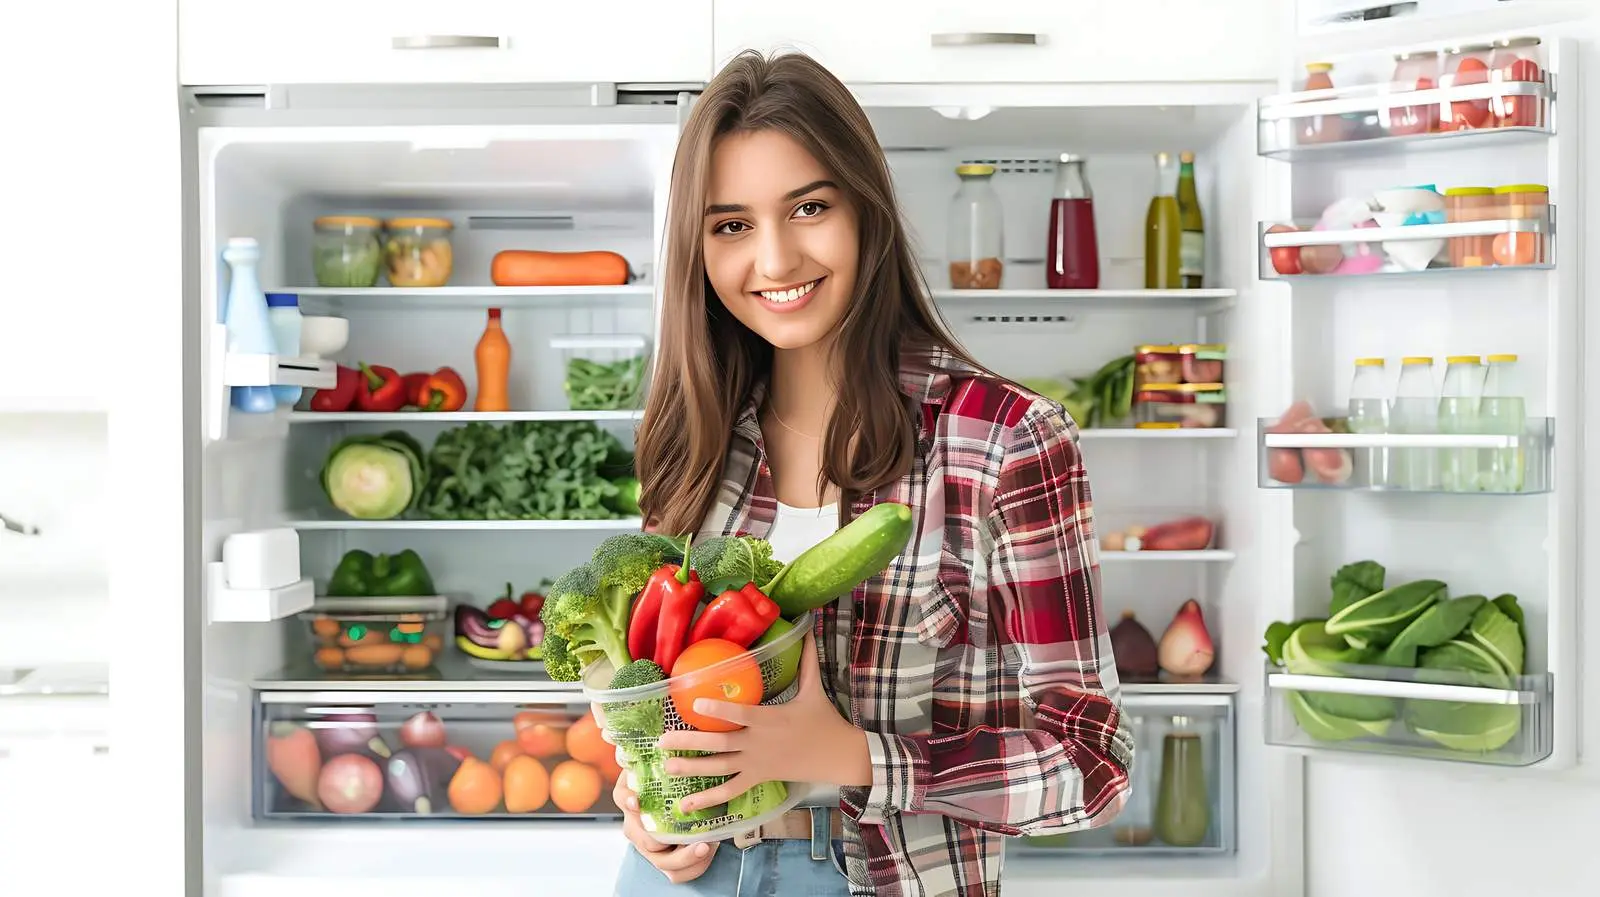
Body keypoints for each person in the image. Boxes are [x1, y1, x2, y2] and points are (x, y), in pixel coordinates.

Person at [614, 49, 1135, 897]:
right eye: (732, 225)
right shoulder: (693, 436)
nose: (775, 260)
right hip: (681, 877)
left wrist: (850, 754)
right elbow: (662, 704)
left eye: (808, 207)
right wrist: (645, 806)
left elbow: (1093, 764)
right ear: (697, 248)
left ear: (866, 211)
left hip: (882, 874)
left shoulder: (1004, 441)